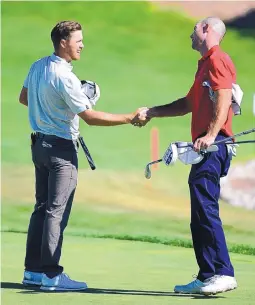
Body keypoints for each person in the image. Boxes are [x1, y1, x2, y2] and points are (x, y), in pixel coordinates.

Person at [19, 20, 147, 291]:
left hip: (39, 148)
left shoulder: (38, 66)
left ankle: (33, 271)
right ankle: (52, 275)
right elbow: (90, 117)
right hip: (61, 151)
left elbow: (24, 98)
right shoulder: (65, 77)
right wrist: (129, 117)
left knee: (42, 209)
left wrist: (59, 104)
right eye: (78, 40)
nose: (82, 45)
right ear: (63, 42)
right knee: (56, 211)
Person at [137, 17, 239, 295]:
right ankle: (208, 274)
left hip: (213, 145)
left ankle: (223, 272)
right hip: (205, 146)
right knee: (198, 212)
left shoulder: (218, 59)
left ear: (207, 29)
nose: (190, 35)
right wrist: (153, 112)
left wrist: (209, 134)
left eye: (193, 29)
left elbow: (224, 95)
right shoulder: (205, 64)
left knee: (206, 209)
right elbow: (186, 104)